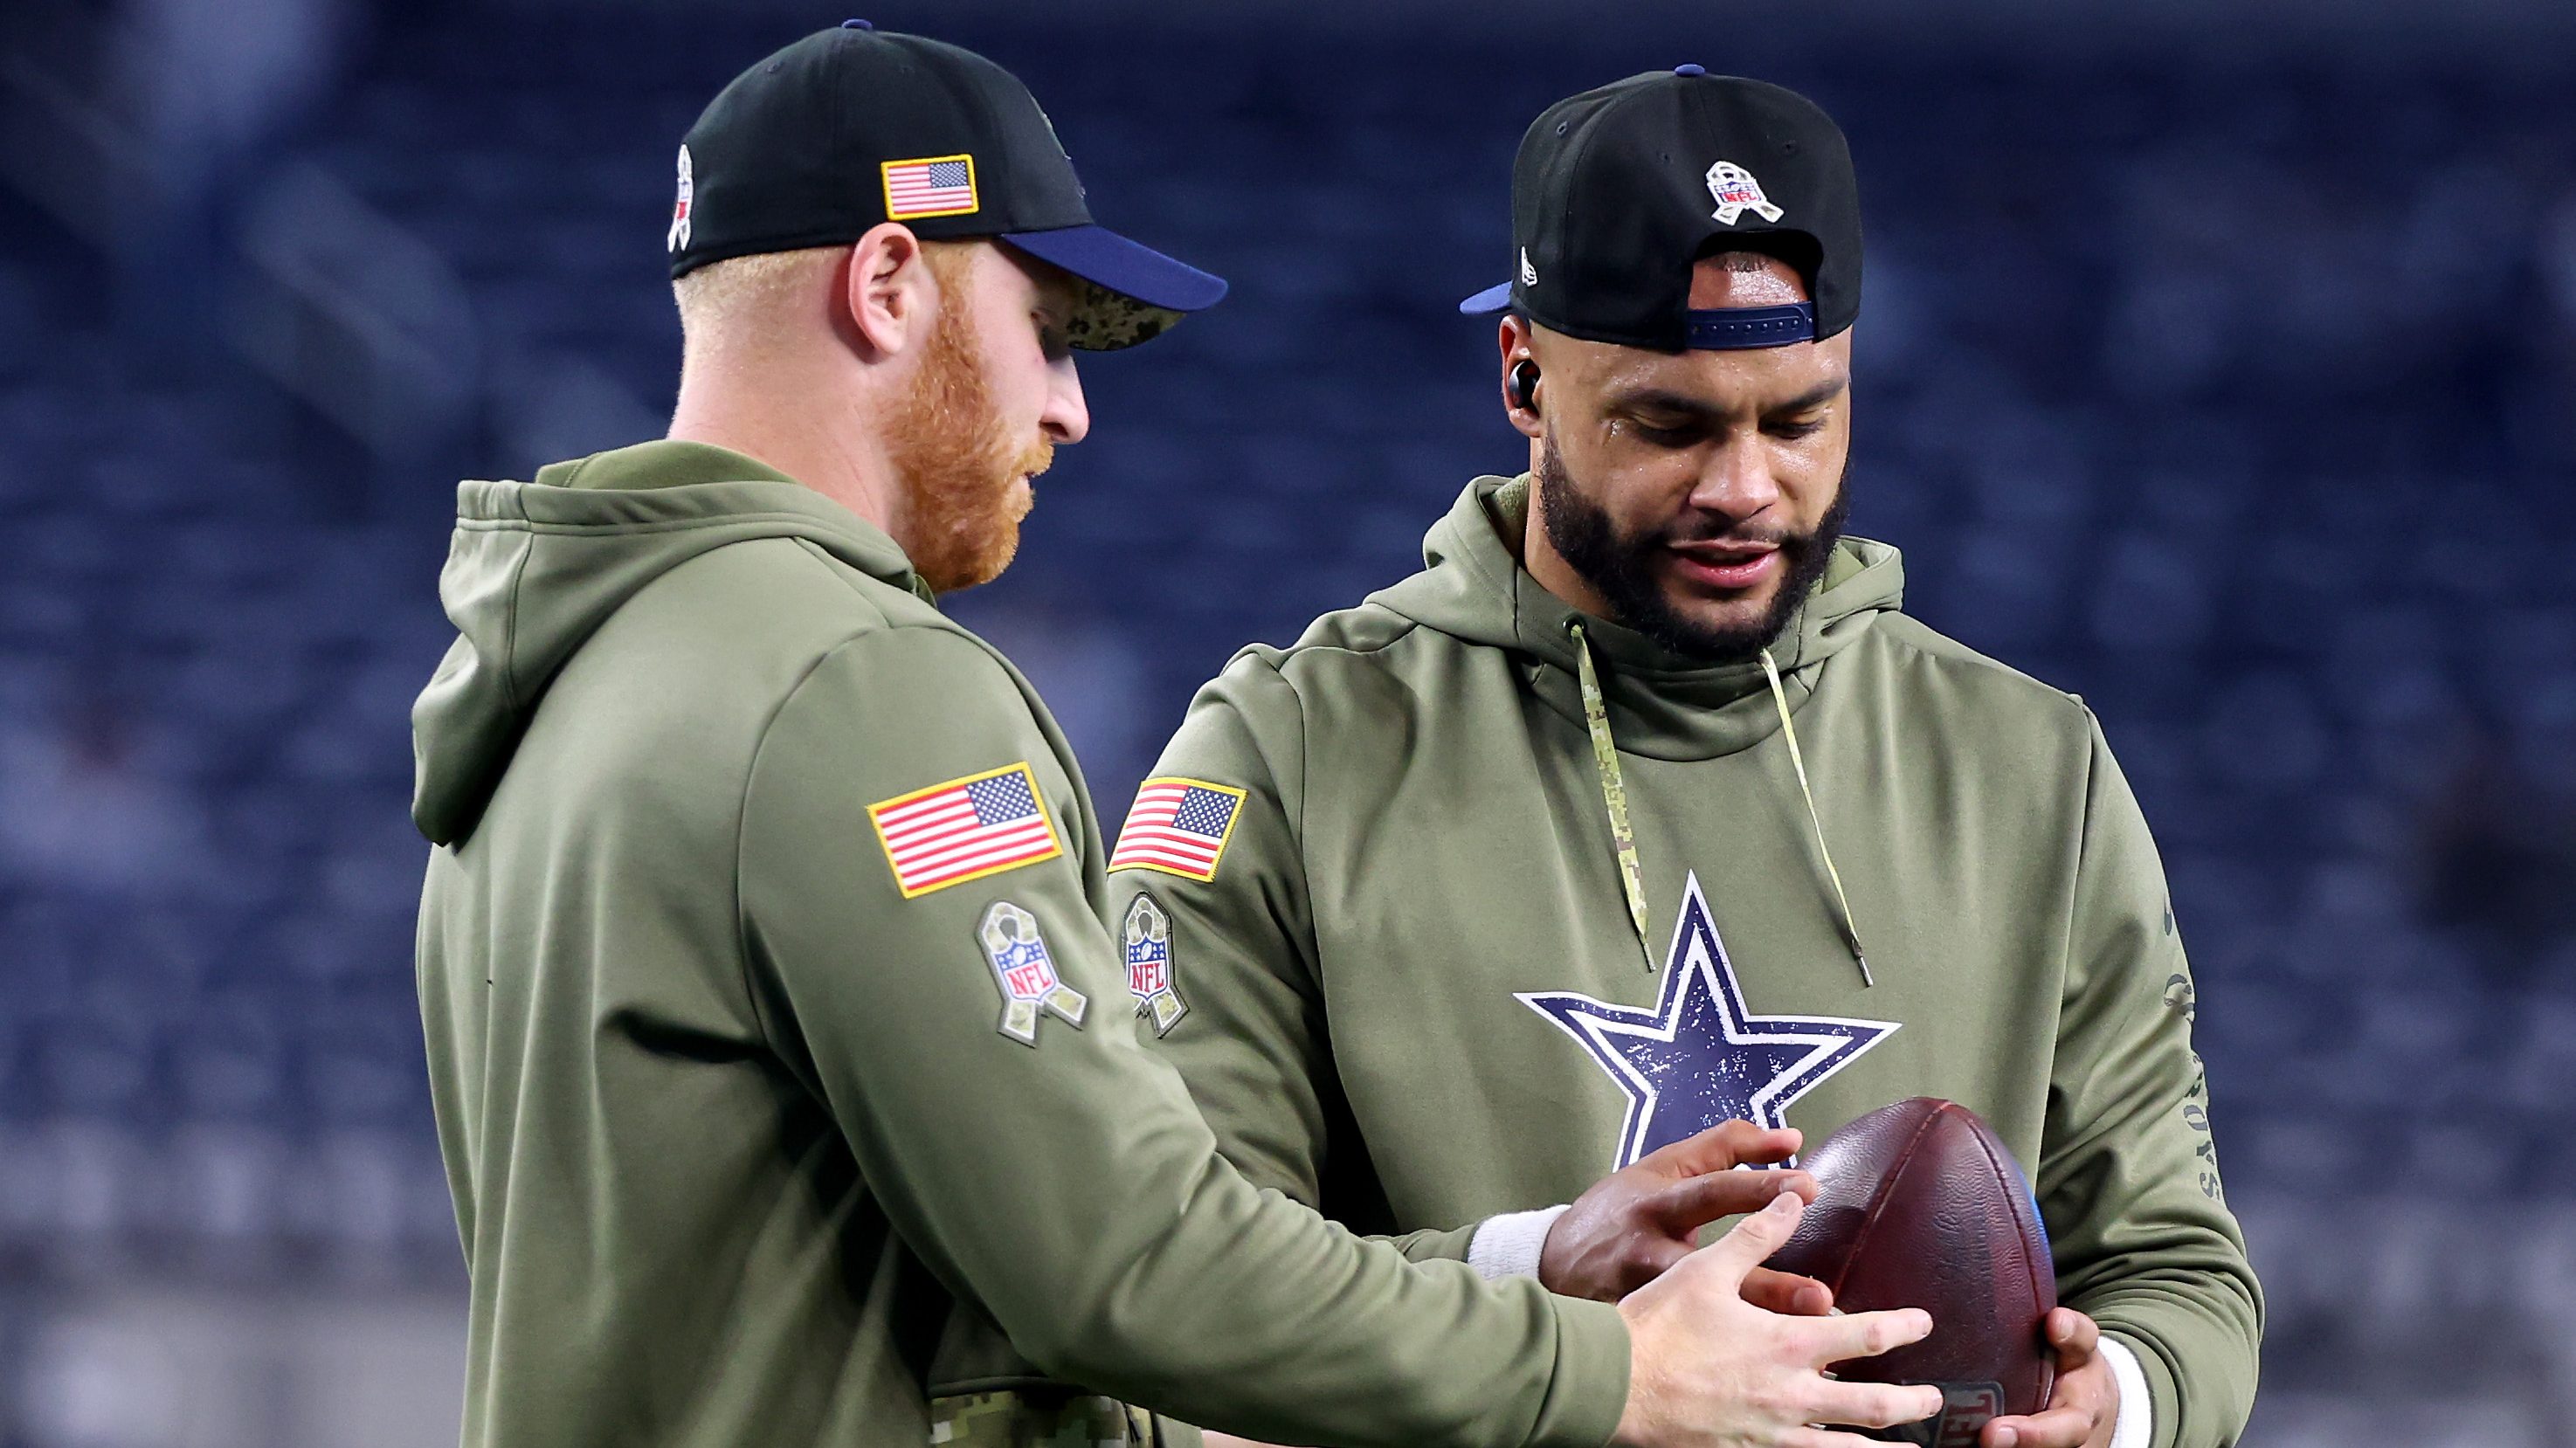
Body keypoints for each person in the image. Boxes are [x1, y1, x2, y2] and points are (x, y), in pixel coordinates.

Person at [409, 28, 1944, 1448]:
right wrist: (1610, 1371)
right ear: (887, 283)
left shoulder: (565, 683)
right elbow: (1120, 1259)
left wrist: (1526, 1256)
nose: (1069, 409)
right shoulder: (855, 684)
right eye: (1044, 327)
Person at [1116, 69, 2262, 1448]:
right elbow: (1158, 1304)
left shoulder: (2029, 765)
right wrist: (1535, 1282)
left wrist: (2118, 1398)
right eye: (1669, 425)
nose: (1740, 488)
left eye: (1796, 419)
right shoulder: (1286, 754)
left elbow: (2178, 1273)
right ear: (1523, 377)